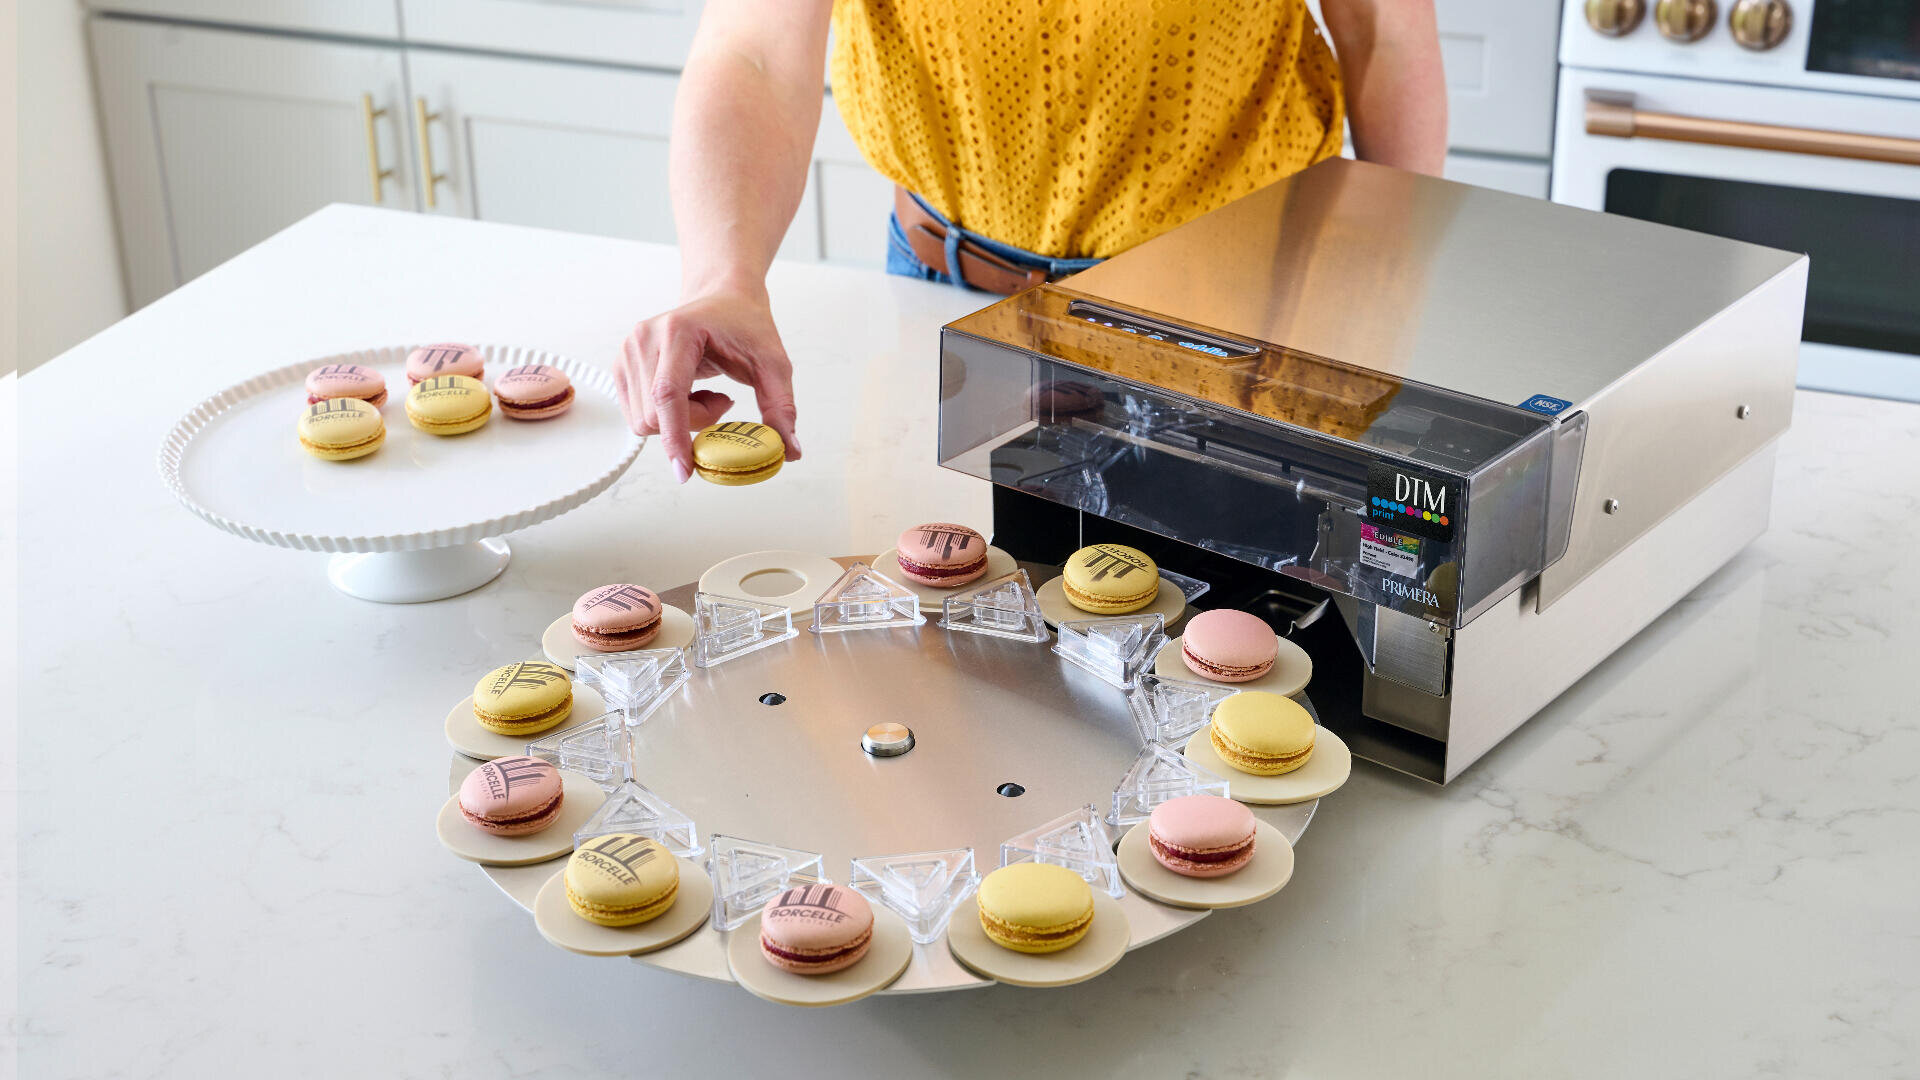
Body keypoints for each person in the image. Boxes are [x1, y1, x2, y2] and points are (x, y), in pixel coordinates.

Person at [614, 0, 1446, 482]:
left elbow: (1386, 34)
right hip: (943, 297)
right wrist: (725, 278)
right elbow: (754, 51)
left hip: (1239, 315)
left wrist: (1380, 302)